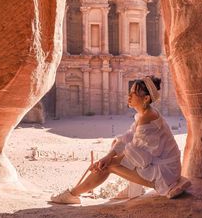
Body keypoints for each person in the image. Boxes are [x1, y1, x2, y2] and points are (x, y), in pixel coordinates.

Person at [51, 75, 191, 204]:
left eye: (133, 93)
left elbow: (142, 159)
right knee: (114, 150)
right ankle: (131, 189)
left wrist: (108, 162)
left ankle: (72, 195)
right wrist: (108, 156)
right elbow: (128, 137)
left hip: (166, 173)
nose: (129, 96)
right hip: (162, 166)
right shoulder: (144, 114)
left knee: (109, 166)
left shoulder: (148, 118)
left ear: (146, 98)